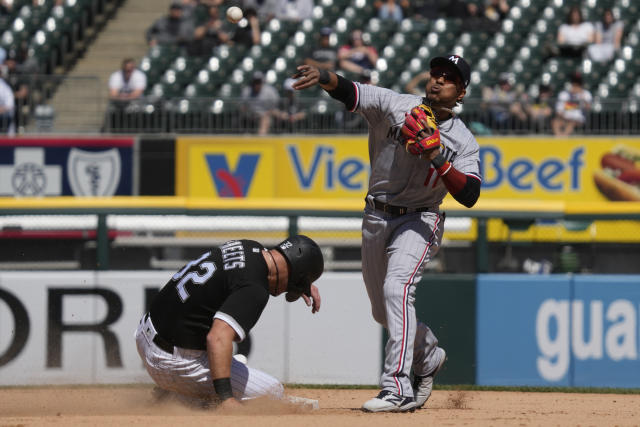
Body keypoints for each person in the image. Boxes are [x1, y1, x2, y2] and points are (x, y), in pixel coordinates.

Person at [292, 53, 482, 412]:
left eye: (449, 78)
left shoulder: (464, 141)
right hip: (376, 216)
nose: (438, 80)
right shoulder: (396, 104)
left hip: (420, 219)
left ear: (461, 93)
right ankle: (427, 356)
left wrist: (439, 158)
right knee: (382, 311)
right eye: (436, 73)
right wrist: (323, 76)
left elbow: (470, 194)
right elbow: (351, 92)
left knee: (398, 289)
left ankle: (398, 387)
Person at [135, 235, 324, 409]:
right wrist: (226, 398)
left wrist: (301, 280)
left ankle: (179, 387)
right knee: (272, 391)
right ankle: (180, 397)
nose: (287, 291)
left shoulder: (249, 247)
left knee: (234, 361)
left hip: (146, 334)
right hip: (172, 362)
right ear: (297, 276)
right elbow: (217, 338)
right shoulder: (255, 288)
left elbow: (235, 276)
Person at [552, 71, 592, 136]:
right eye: (574, 84)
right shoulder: (564, 94)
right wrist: (563, 116)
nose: (576, 86)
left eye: (578, 84)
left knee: (571, 123)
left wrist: (582, 98)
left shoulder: (586, 94)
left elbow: (588, 107)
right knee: (555, 122)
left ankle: (563, 138)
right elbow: (559, 110)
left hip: (578, 119)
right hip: (565, 117)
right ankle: (558, 139)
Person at [241, 71, 280, 135]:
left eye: (259, 82)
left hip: (266, 115)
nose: (257, 84)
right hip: (250, 115)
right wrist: (249, 113)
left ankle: (261, 139)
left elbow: (274, 107)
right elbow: (243, 107)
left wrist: (267, 113)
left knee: (265, 119)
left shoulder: (270, 91)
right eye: (255, 82)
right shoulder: (247, 91)